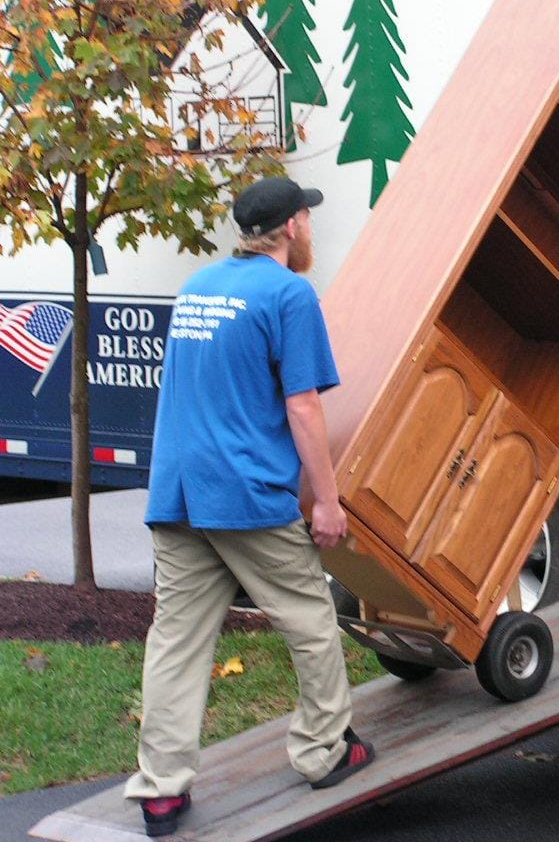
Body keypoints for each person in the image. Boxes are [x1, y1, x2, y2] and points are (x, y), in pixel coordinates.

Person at [125, 177, 374, 837]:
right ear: (292, 227)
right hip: (247, 497)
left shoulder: (198, 288)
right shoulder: (290, 295)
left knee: (177, 642)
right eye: (308, 219)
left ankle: (160, 791)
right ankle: (325, 751)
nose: (310, 229)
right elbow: (302, 405)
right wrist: (326, 499)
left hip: (177, 490)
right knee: (311, 622)